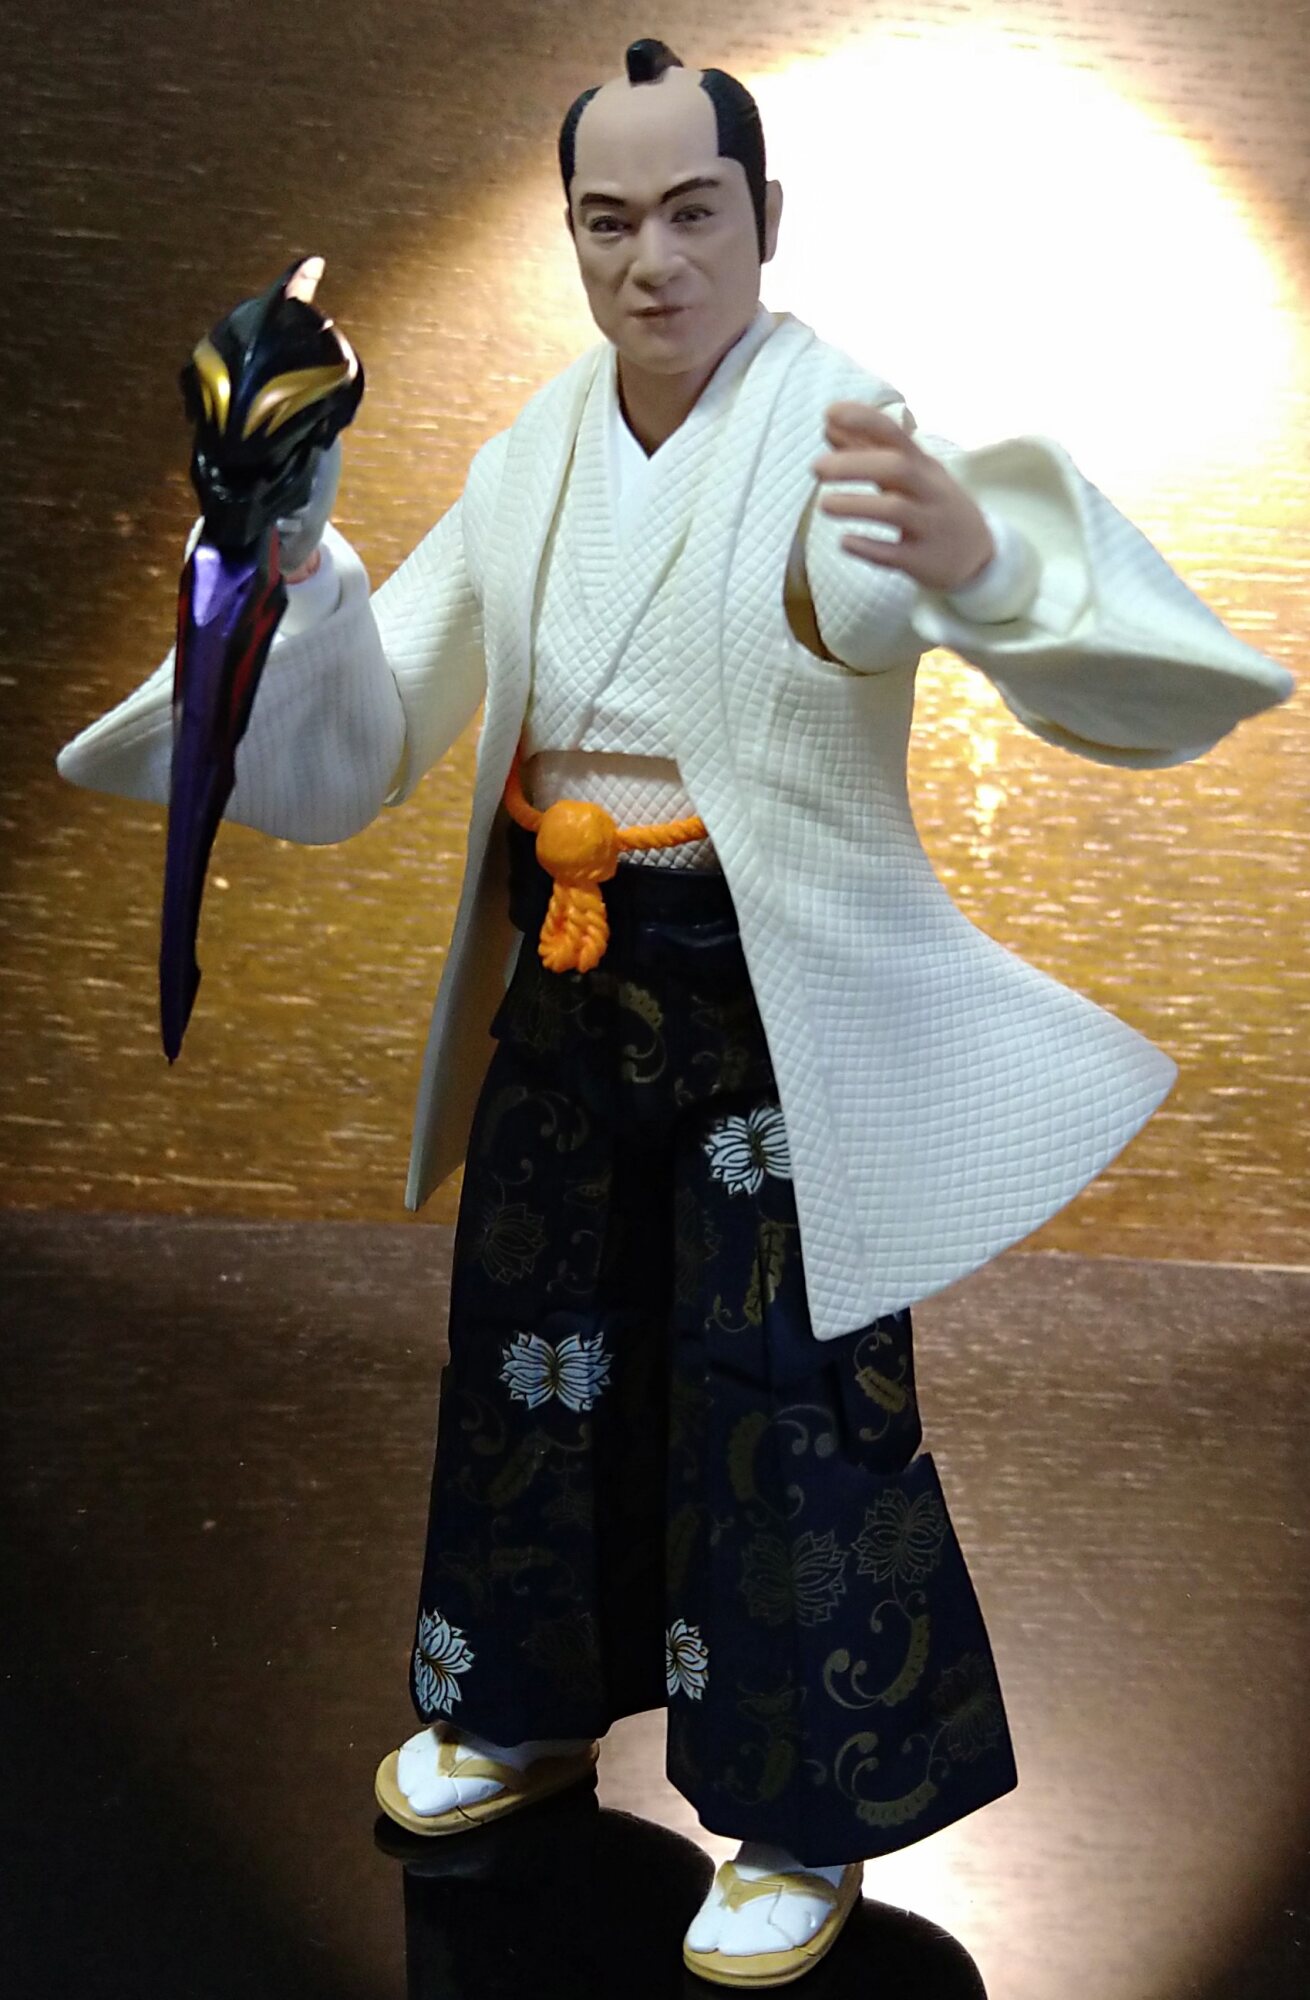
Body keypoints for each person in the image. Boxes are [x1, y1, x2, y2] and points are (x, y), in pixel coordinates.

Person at [58, 37, 1292, 1987]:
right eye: (608, 220)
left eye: (692, 212)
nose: (651, 260)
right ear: (571, 234)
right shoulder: (537, 451)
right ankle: (520, 1708)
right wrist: (292, 546)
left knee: (778, 1391)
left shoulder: (835, 426)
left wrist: (967, 563)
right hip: (568, 969)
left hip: (757, 1003)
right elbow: (366, 739)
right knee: (530, 1347)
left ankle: (797, 1813)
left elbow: (858, 597)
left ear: (762, 218)